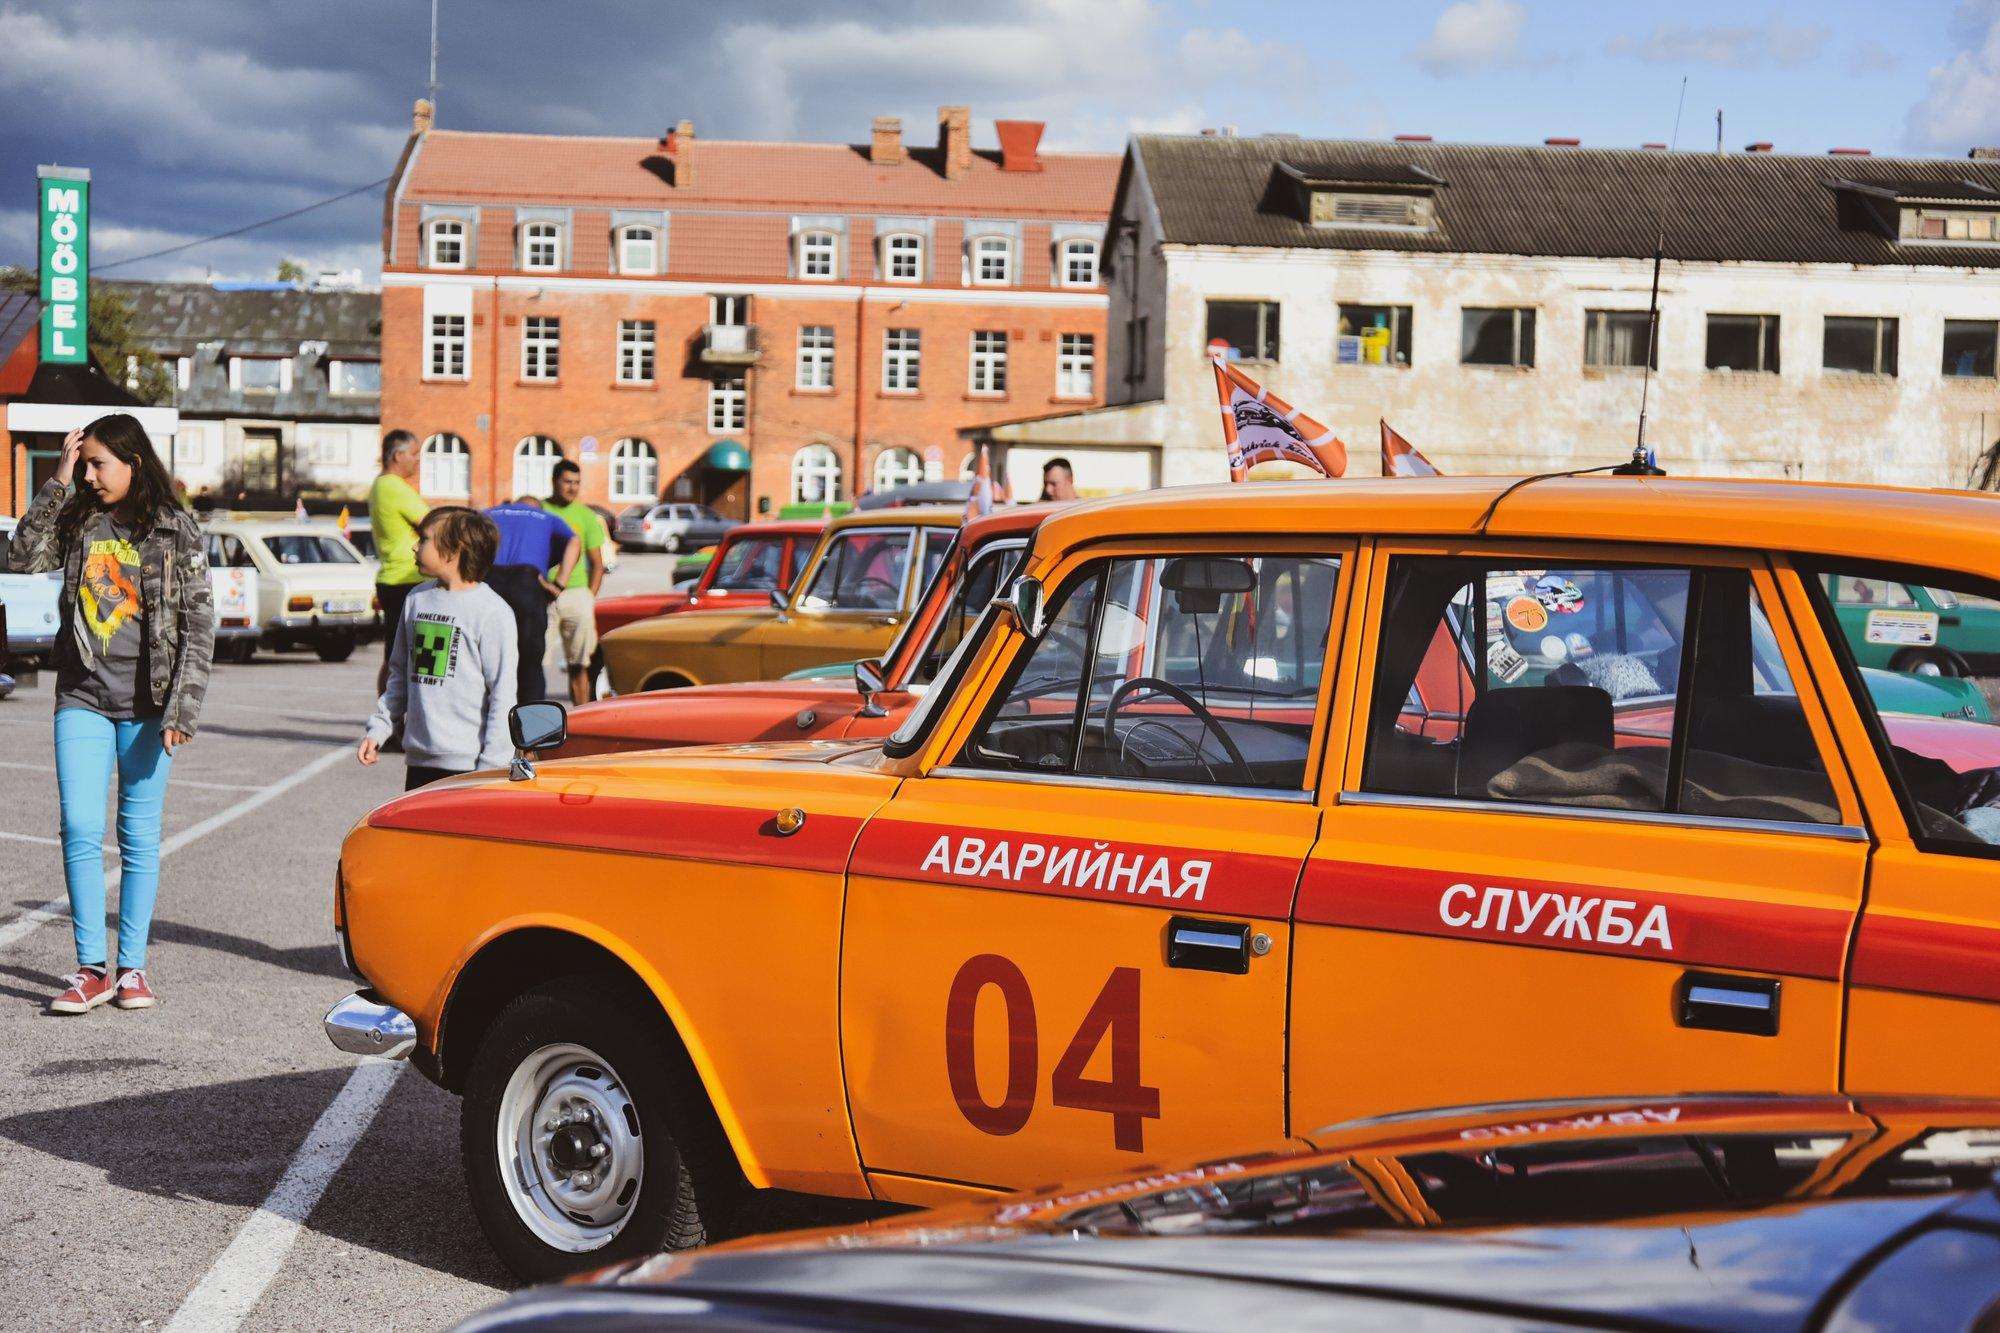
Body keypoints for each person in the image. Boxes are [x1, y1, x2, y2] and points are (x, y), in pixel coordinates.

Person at [5, 415, 215, 1014]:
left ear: (134, 463)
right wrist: (60, 479)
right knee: (78, 827)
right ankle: (89, 968)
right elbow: (21, 558)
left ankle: (132, 969)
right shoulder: (78, 519)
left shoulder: (177, 529)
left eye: (100, 463)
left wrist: (183, 707)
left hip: (149, 706)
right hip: (82, 697)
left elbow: (200, 625)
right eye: (87, 463)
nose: (92, 474)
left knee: (139, 837)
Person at [359, 507, 517, 789]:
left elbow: (503, 695)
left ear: (454, 550)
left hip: (469, 766)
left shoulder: (492, 612)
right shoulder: (417, 599)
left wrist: (490, 768)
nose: (415, 546)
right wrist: (380, 728)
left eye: (424, 539)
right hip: (419, 761)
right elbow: (399, 675)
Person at [483, 494, 580, 704]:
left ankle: (486, 718)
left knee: (485, 658)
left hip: (489, 581)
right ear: (538, 507)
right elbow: (574, 541)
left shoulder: (491, 512)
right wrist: (558, 585)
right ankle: (532, 730)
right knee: (530, 662)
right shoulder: (546, 517)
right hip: (526, 583)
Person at [367, 430, 429, 699]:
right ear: (398, 455)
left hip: (393, 578)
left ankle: (390, 720)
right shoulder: (394, 486)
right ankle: (393, 724)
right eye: (414, 454)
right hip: (406, 578)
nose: (417, 461)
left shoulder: (379, 485)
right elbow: (433, 524)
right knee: (406, 659)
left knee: (395, 655)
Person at [540, 460, 607, 706]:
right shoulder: (541, 510)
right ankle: (537, 723)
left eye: (577, 483)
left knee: (579, 665)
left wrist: (589, 596)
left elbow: (597, 564)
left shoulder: (586, 516)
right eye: (567, 482)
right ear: (554, 481)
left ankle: (579, 720)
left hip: (577, 595)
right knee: (535, 663)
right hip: (543, 595)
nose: (572, 487)